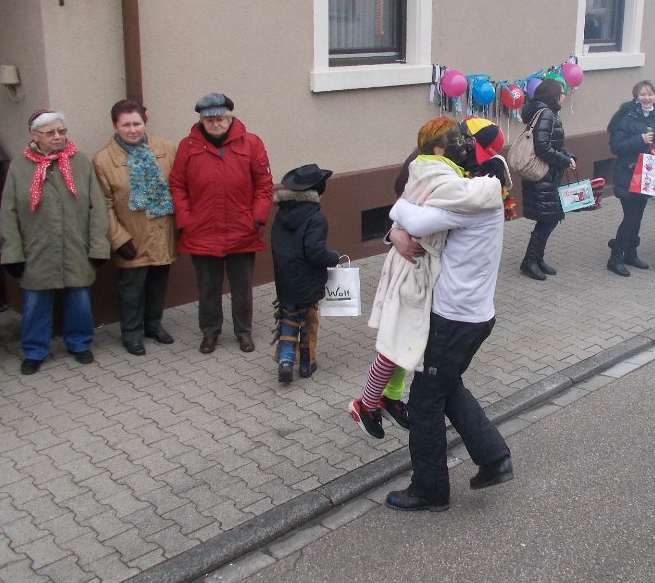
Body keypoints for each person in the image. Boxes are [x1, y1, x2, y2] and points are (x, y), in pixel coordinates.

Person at [352, 120, 504, 440]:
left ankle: (391, 397)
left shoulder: (450, 167)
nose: (465, 145)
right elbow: (406, 205)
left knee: (411, 340)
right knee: (397, 341)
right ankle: (366, 403)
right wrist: (395, 230)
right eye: (459, 140)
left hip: (427, 270)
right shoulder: (428, 169)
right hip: (413, 267)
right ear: (438, 149)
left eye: (467, 140)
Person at [383, 164, 514, 512]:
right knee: (447, 385)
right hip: (473, 317)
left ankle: (429, 490)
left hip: (453, 321)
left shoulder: (471, 202)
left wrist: (398, 206)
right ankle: (494, 458)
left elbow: (417, 221)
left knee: (425, 402)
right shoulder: (484, 199)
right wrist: (395, 231)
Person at [0, 111, 109, 374]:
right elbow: (8, 213)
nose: (58, 136)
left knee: (79, 299)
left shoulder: (80, 162)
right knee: (35, 303)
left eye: (61, 131)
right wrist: (12, 253)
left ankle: (79, 343)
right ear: (34, 135)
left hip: (76, 246)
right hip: (37, 249)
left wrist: (98, 246)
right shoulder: (19, 167)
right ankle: (35, 350)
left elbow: (98, 208)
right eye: (50, 132)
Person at [170, 93, 273, 354]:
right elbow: (177, 185)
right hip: (201, 231)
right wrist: (186, 220)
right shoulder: (187, 146)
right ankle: (210, 332)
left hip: (242, 229)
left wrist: (256, 219)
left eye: (220, 119)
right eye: (210, 120)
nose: (216, 124)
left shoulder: (252, 143)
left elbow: (264, 185)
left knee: (242, 288)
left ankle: (243, 332)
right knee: (208, 288)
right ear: (201, 121)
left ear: (230, 118)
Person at [92, 100, 178, 356]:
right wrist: (118, 238)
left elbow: (179, 186)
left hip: (162, 230)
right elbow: (103, 204)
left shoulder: (165, 148)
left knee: (158, 282)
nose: (132, 130)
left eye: (137, 123)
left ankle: (153, 324)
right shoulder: (103, 160)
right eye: (126, 125)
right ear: (115, 126)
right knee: (132, 288)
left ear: (145, 121)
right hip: (131, 235)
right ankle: (131, 332)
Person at [270, 164, 339, 384]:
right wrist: (333, 257)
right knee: (308, 322)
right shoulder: (316, 218)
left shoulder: (281, 214)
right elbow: (314, 251)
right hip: (308, 282)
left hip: (285, 281)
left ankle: (285, 361)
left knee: (288, 319)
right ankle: (307, 365)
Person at [606, 80, 655, 276]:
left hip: (647, 174)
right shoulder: (626, 115)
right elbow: (616, 147)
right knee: (630, 218)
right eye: (643, 94)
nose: (647, 98)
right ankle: (615, 257)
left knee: (637, 217)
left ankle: (631, 253)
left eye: (650, 94)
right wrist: (639, 139)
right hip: (627, 173)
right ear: (636, 96)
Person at [518, 78, 576, 281]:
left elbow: (555, 143)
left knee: (549, 218)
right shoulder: (546, 114)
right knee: (548, 219)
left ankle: (537, 259)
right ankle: (529, 262)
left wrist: (569, 156)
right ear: (555, 95)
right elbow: (543, 147)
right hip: (543, 175)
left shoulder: (548, 113)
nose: (565, 96)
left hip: (547, 175)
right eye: (562, 92)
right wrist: (564, 160)